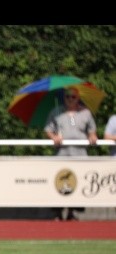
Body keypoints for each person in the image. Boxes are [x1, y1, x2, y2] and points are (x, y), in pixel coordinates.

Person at [44, 87, 98, 221]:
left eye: (73, 97)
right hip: (61, 154)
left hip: (80, 154)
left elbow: (92, 131)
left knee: (78, 183)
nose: (70, 99)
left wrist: (92, 137)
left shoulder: (86, 113)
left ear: (78, 98)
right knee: (59, 183)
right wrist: (53, 137)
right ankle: (57, 212)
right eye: (67, 97)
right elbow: (48, 129)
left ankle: (72, 212)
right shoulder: (56, 112)